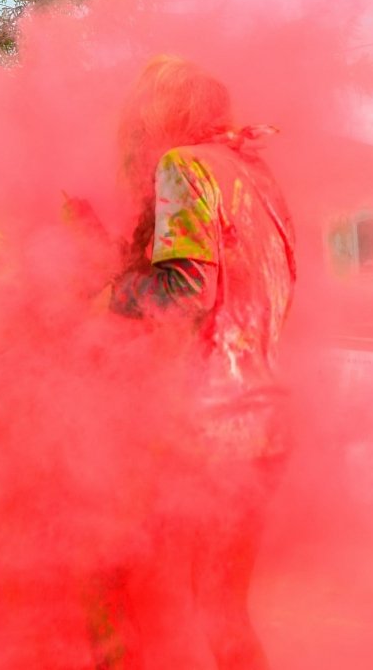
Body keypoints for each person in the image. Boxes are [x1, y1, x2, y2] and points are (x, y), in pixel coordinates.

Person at [104, 55, 296, 670]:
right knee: (221, 605)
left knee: (111, 578)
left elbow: (187, 293)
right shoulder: (255, 175)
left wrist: (102, 294)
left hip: (204, 427)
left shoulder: (181, 165)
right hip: (265, 423)